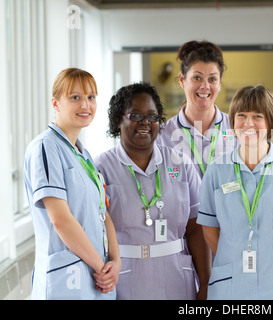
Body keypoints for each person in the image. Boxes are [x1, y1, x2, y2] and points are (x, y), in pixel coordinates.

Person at [197, 85, 273, 300]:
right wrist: (234, 257)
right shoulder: (217, 170)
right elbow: (209, 229)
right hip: (230, 287)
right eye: (241, 115)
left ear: (271, 121)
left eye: (257, 116)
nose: (248, 124)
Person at [94, 82, 210, 299]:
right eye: (136, 116)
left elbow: (197, 228)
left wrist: (205, 283)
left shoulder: (181, 163)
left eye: (152, 116)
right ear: (118, 119)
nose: (145, 123)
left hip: (176, 278)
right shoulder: (101, 167)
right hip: (126, 279)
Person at [23, 68, 120, 300]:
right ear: (55, 103)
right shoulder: (46, 148)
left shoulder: (83, 154)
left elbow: (102, 214)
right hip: (67, 281)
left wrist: (115, 262)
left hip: (94, 278)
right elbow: (61, 219)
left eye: (91, 97)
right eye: (75, 97)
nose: (85, 105)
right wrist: (101, 266)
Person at [156, 40, 236, 177]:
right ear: (182, 80)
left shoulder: (236, 128)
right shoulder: (162, 136)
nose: (205, 86)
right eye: (197, 78)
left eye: (212, 79)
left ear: (220, 83)